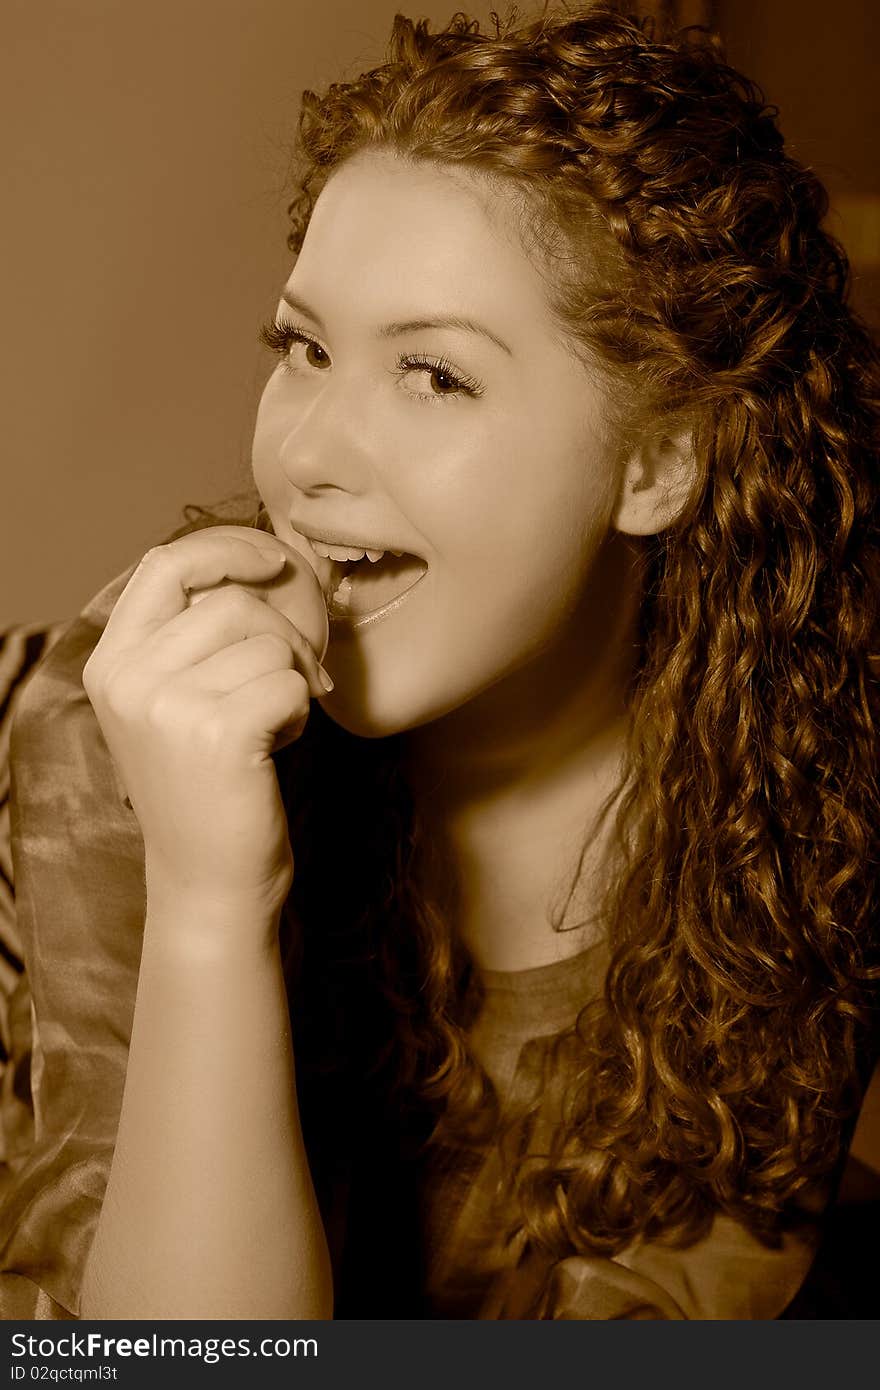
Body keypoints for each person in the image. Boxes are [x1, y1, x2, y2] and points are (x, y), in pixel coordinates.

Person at [1, 3, 878, 1320]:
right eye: (302, 349)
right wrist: (208, 894)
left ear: (658, 463)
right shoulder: (124, 707)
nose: (303, 458)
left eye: (434, 377)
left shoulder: (799, 797)